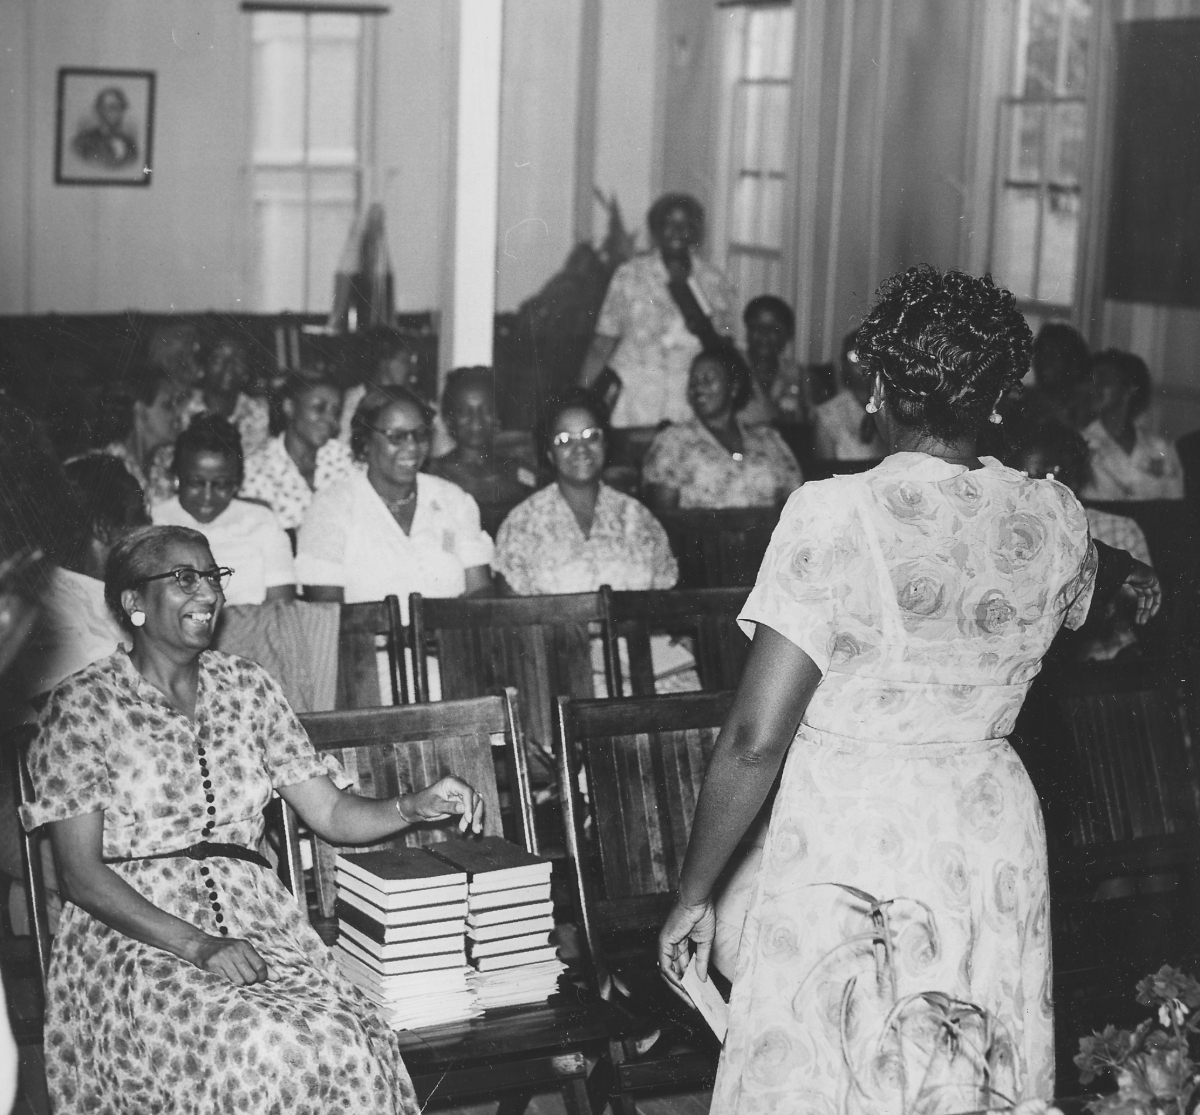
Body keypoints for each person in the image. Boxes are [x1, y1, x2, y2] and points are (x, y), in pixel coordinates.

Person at [658, 266, 1161, 1110]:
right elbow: (1111, 576)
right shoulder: (1056, 516)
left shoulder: (833, 514)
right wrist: (1125, 585)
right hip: (988, 829)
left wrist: (693, 895)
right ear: (1000, 400)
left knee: (844, 1066)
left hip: (858, 829)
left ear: (880, 387)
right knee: (965, 1073)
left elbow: (754, 738)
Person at [20, 524, 484, 1113]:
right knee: (259, 1045)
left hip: (257, 922)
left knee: (343, 1042)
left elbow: (331, 812)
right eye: (185, 578)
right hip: (137, 939)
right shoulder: (83, 705)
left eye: (213, 577)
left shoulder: (248, 687)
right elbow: (80, 873)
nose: (208, 593)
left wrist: (413, 805)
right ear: (134, 601)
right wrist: (199, 946)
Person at [297, 386, 493, 621]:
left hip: (448, 651)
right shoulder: (331, 508)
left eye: (420, 435)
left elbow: (479, 592)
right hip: (366, 653)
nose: (411, 447)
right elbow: (327, 614)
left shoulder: (453, 500)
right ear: (366, 441)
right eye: (396, 437)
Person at [581, 193, 738, 432]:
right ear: (656, 229)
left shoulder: (713, 280)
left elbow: (724, 348)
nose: (677, 231)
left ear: (696, 232)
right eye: (668, 223)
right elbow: (602, 344)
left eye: (685, 224)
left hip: (688, 399)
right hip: (633, 398)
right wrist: (580, 398)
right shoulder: (630, 275)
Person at [495, 391, 677, 595]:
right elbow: (512, 616)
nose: (580, 448)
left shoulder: (640, 520)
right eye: (564, 440)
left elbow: (665, 605)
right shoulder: (522, 524)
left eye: (591, 436)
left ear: (605, 444)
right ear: (550, 454)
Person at [1010, 419, 1151, 661]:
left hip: (1109, 659)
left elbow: (1139, 603)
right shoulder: (1012, 532)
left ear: (1075, 476)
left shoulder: (1118, 528)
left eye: (1047, 474)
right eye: (1024, 476)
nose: (1035, 487)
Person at [17, 456, 148, 703]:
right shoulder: (51, 612)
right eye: (140, 516)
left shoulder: (111, 592)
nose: (151, 526)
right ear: (104, 527)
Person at [152, 416, 295, 606]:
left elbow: (280, 607)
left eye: (221, 484)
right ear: (177, 476)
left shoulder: (262, 522)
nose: (207, 496)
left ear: (237, 481)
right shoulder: (156, 522)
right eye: (196, 483)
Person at [642, 347, 803, 512]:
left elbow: (797, 503)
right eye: (694, 381)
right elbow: (662, 517)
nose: (698, 387)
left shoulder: (768, 439)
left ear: (733, 387)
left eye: (708, 379)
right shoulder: (674, 441)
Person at [426, 366, 537, 536]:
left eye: (486, 410)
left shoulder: (522, 474)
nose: (476, 420)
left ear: (497, 415)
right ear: (449, 419)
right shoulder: (431, 475)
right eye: (464, 412)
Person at [240, 375, 356, 532]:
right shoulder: (256, 469)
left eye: (335, 412)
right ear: (289, 407)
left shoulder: (346, 459)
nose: (329, 419)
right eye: (319, 408)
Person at [1078, 349, 1184, 501]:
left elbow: (1176, 507)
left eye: (1103, 380)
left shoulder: (1159, 448)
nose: (1093, 388)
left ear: (1129, 390)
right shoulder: (1079, 446)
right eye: (1091, 380)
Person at [338, 329, 453, 456]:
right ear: (384, 361)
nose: (413, 368)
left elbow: (446, 450)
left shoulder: (418, 401)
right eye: (406, 361)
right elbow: (343, 449)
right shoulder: (351, 401)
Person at [90, 366, 182, 506]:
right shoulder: (105, 467)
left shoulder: (168, 464)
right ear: (140, 411)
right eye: (168, 405)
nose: (177, 414)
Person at [186, 332, 271, 458]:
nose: (228, 366)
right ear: (203, 367)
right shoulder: (184, 409)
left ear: (246, 372)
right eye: (218, 359)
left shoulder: (257, 413)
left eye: (237, 360)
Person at [810, 329, 887, 462]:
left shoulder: (893, 410)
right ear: (844, 364)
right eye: (855, 357)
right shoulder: (828, 414)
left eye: (870, 357)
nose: (863, 364)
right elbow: (824, 470)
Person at [737, 295, 808, 426]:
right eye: (756, 327)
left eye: (774, 329)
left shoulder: (796, 374)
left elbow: (806, 424)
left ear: (787, 334)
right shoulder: (732, 365)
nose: (764, 335)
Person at [1025, 321, 1090, 428]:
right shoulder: (1025, 403)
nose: (1045, 362)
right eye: (1040, 355)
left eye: (1053, 356)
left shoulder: (1085, 408)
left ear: (1073, 362)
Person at [71, 86, 138, 170]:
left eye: (117, 107)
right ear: (99, 110)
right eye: (109, 107)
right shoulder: (83, 142)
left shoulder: (130, 144)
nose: (113, 112)